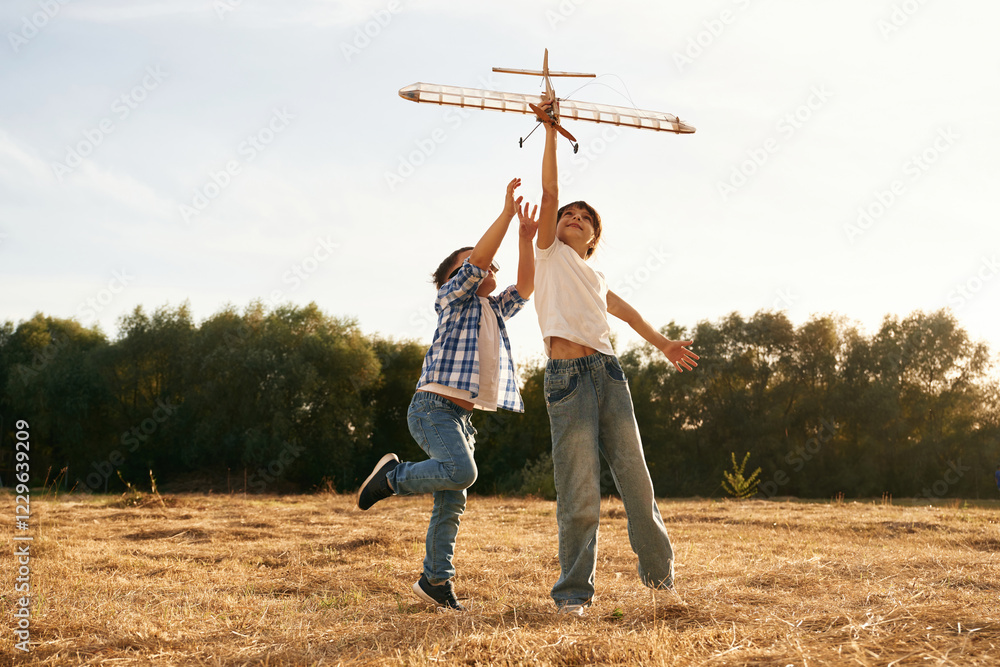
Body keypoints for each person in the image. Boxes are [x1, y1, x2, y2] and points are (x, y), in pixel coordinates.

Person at [529, 100, 699, 616]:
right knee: (579, 492)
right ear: (555, 228)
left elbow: (626, 312)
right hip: (566, 380)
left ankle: (661, 583)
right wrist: (552, 132)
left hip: (608, 375)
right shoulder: (549, 254)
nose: (574, 218)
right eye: (568, 216)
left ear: (594, 238)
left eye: (585, 219)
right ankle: (573, 595)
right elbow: (551, 192)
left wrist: (664, 343)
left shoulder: (595, 275)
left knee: (637, 482)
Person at [357, 178, 538, 611]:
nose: (489, 270)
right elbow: (477, 261)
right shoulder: (451, 299)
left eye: (494, 268)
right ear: (452, 276)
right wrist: (507, 215)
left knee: (451, 501)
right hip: (432, 406)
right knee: (462, 471)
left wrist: (525, 239)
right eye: (476, 265)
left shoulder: (492, 309)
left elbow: (527, 288)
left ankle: (435, 581)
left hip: (461, 418)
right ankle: (393, 478)